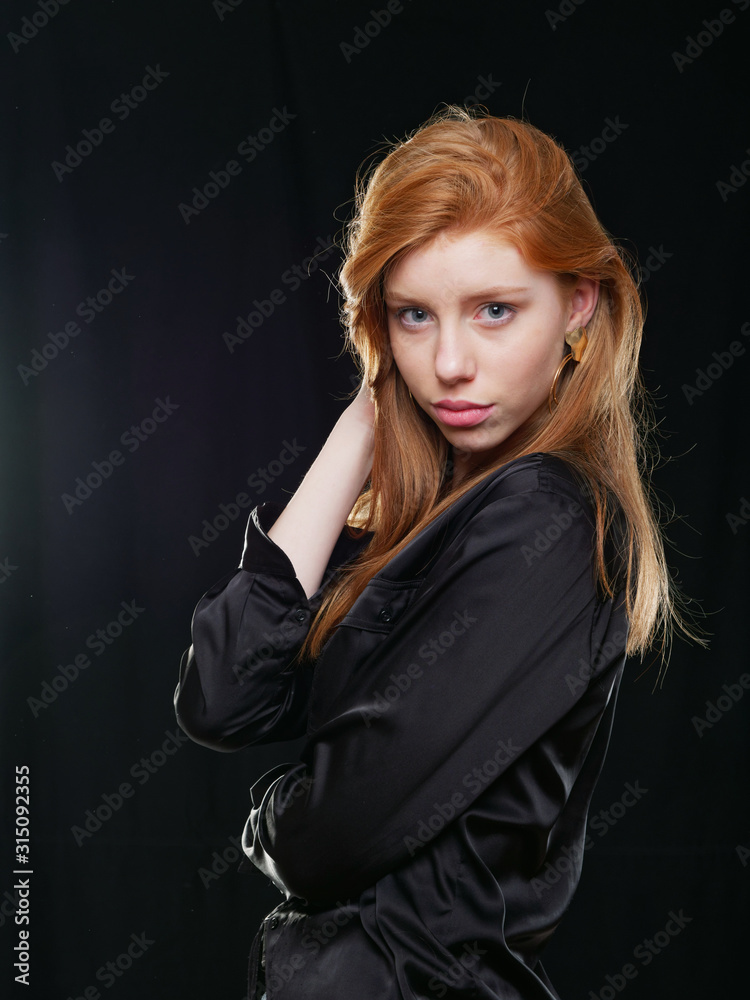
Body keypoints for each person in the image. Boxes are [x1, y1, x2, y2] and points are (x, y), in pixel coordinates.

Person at [174, 105, 694, 999]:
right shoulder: (447, 510)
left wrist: (266, 822)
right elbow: (221, 697)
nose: (450, 362)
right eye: (414, 315)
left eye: (496, 310)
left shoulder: (550, 516)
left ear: (580, 306)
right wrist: (360, 427)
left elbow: (330, 841)